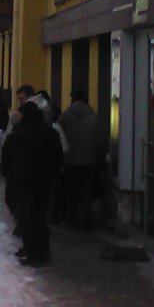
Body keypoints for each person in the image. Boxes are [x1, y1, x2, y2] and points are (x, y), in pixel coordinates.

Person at [8, 100, 64, 266]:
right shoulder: (50, 133)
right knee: (40, 217)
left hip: (24, 181)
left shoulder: (19, 135)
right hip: (45, 181)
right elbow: (58, 157)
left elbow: (10, 158)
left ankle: (33, 252)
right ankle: (41, 251)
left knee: (26, 217)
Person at [57, 89, 102, 230]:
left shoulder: (64, 117)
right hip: (89, 160)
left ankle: (72, 217)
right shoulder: (94, 117)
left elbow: (58, 137)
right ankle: (85, 218)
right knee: (86, 190)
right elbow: (100, 140)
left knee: (71, 190)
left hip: (69, 159)